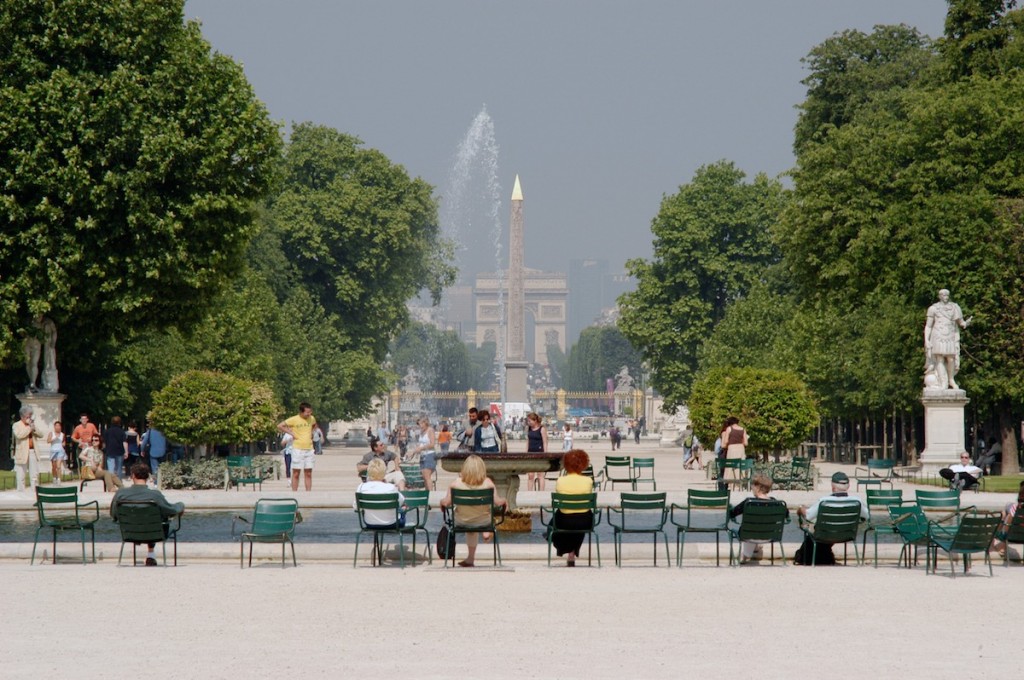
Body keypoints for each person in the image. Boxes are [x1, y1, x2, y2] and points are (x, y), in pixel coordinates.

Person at [439, 454, 508, 567]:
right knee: (482, 516)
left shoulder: (456, 484)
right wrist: (505, 500)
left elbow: (446, 503)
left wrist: (441, 501)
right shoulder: (488, 483)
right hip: (484, 521)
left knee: (470, 523)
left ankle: (470, 559)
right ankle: (486, 532)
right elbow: (498, 502)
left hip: (461, 521)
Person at [110, 463, 184, 566]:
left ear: (133, 476)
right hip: (155, 533)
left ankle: (150, 555)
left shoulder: (121, 494)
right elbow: (170, 511)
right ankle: (151, 555)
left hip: (130, 532)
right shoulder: (155, 495)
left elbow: (113, 514)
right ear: (148, 477)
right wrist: (181, 506)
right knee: (159, 520)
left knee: (149, 519)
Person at [794, 471, 868, 565]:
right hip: (847, 535)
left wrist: (801, 508)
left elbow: (808, 516)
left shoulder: (824, 501)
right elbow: (866, 516)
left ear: (832, 487)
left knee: (812, 527)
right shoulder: (857, 502)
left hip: (825, 535)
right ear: (848, 486)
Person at [730, 473, 788, 563]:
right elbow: (787, 515)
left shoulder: (748, 502)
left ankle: (745, 555)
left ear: (758, 487)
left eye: (753, 484)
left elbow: (733, 513)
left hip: (748, 535)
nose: (752, 487)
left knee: (749, 528)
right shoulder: (778, 503)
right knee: (756, 526)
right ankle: (755, 548)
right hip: (770, 536)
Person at [552, 449, 594, 567]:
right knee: (580, 515)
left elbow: (561, 500)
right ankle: (573, 551)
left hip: (564, 522)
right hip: (584, 522)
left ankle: (567, 549)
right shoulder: (588, 480)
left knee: (561, 516)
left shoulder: (561, 480)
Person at [924, 288, 971, 390]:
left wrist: (966, 323)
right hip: (938, 335)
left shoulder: (954, 307)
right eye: (943, 295)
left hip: (950, 335)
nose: (945, 297)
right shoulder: (933, 308)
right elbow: (928, 326)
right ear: (939, 296)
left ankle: (951, 379)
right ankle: (943, 383)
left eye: (947, 295)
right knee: (939, 359)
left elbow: (961, 322)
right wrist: (926, 340)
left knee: (951, 358)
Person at [277, 402, 317, 491]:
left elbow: (314, 425)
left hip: (309, 448)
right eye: (307, 412)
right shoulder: (294, 419)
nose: (309, 414)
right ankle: (294, 493)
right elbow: (280, 425)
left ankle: (308, 493)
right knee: (296, 472)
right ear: (301, 412)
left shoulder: (312, 418)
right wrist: (291, 433)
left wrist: (312, 432)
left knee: (308, 472)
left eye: (310, 412)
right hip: (298, 448)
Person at [355, 459, 406, 528]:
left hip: (370, 523)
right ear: (384, 472)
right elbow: (401, 501)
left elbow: (356, 507)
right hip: (392, 523)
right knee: (402, 508)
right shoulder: (391, 487)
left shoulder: (361, 487)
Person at [12, 406, 45, 492]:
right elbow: (19, 435)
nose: (29, 418)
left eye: (30, 416)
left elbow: (41, 434)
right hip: (22, 453)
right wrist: (29, 428)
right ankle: (20, 492)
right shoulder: (16, 425)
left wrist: (33, 428)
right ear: (22, 416)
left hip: (32, 451)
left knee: (34, 474)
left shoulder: (32, 424)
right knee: (21, 475)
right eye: (28, 416)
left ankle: (35, 492)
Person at [991, 481, 1024, 558]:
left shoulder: (1015, 509)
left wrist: (1003, 537)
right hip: (1019, 533)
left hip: (1013, 535)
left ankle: (997, 539)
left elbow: (1008, 525)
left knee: (1005, 512)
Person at [409, 418, 438, 490]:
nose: (420, 426)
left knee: (427, 476)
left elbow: (432, 444)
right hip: (423, 456)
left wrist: (421, 448)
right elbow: (420, 444)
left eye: (422, 424)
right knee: (424, 477)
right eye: (419, 424)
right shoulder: (421, 432)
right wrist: (413, 452)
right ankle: (426, 493)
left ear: (426, 423)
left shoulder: (430, 430)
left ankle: (431, 494)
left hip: (430, 455)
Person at [525, 412, 549, 490]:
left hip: (540, 453)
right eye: (528, 421)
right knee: (530, 475)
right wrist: (525, 453)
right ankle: (529, 494)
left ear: (535, 420)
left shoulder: (542, 429)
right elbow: (528, 441)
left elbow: (545, 442)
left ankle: (541, 493)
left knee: (540, 475)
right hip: (530, 453)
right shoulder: (529, 429)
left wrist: (545, 454)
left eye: (530, 421)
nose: (528, 423)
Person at [47, 420, 67, 484]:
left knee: (58, 466)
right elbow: (48, 441)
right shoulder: (51, 433)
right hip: (53, 450)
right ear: (54, 427)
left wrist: (63, 444)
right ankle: (54, 477)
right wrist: (54, 438)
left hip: (60, 451)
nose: (58, 427)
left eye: (59, 426)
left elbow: (63, 442)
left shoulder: (62, 434)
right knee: (54, 466)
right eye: (56, 426)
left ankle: (59, 479)